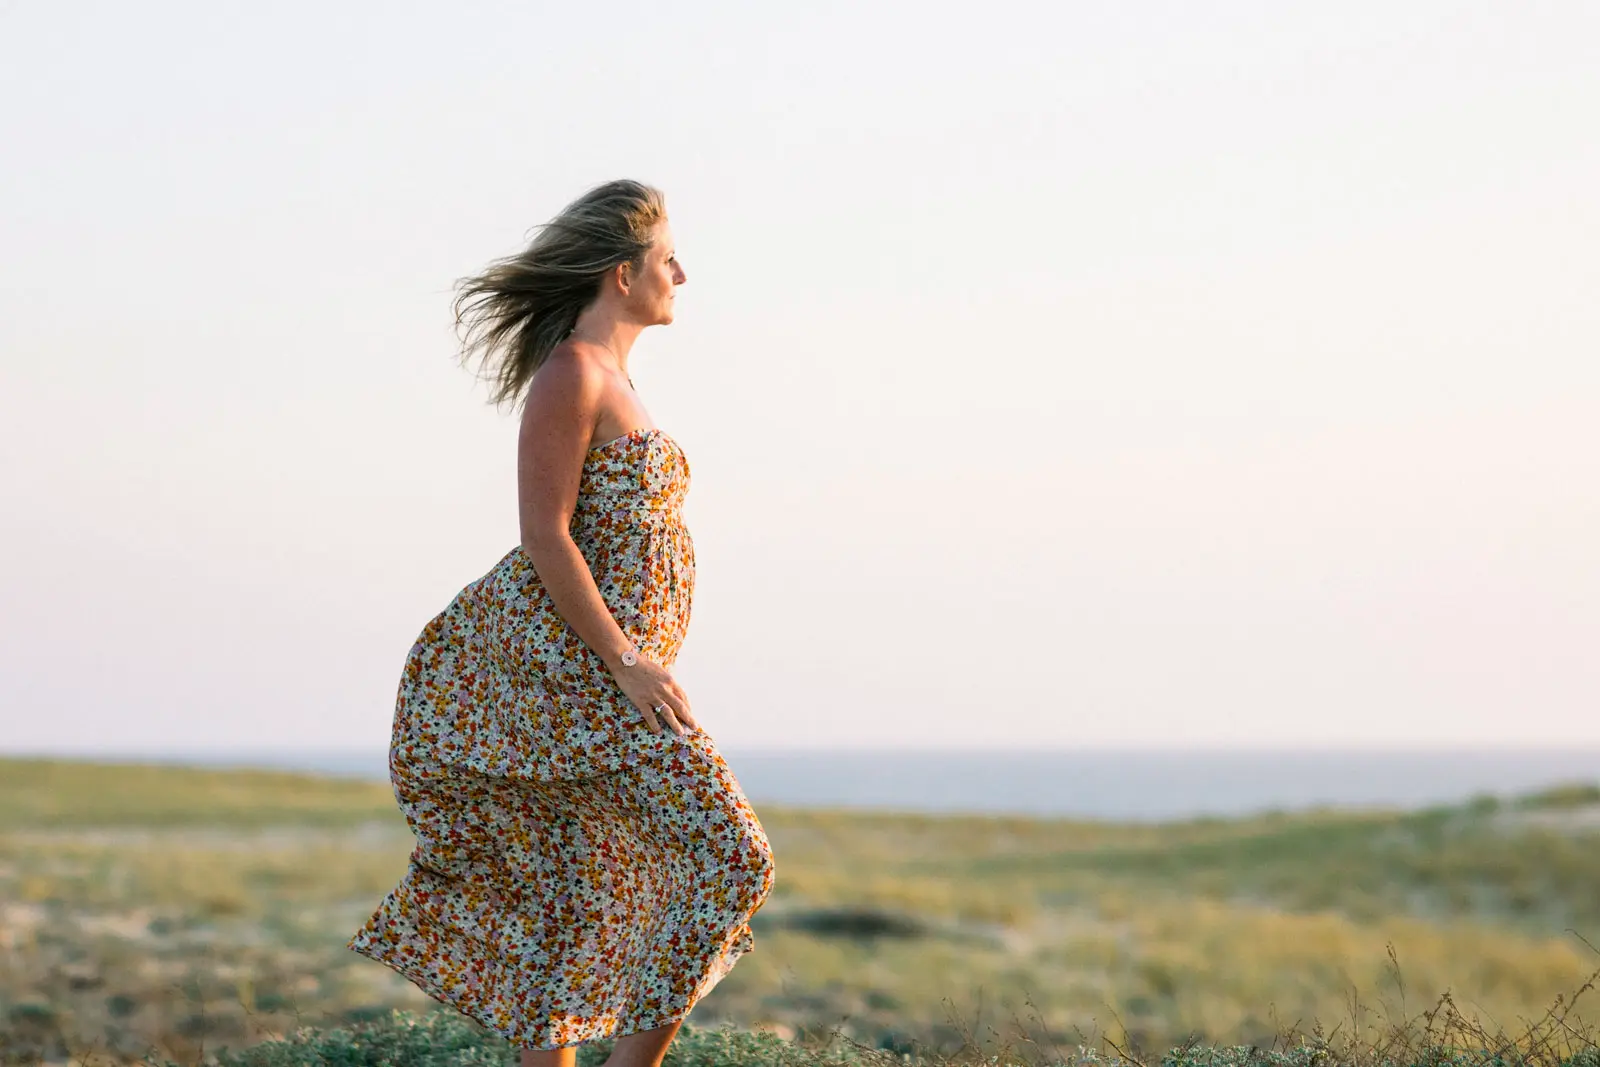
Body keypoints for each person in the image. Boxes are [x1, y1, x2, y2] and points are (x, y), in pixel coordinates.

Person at [348, 179, 777, 1067]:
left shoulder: (616, 377)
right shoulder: (573, 374)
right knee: (734, 856)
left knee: (584, 893)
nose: (683, 275)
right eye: (668, 260)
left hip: (607, 676)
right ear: (622, 275)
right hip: (575, 676)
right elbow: (543, 534)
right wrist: (625, 657)